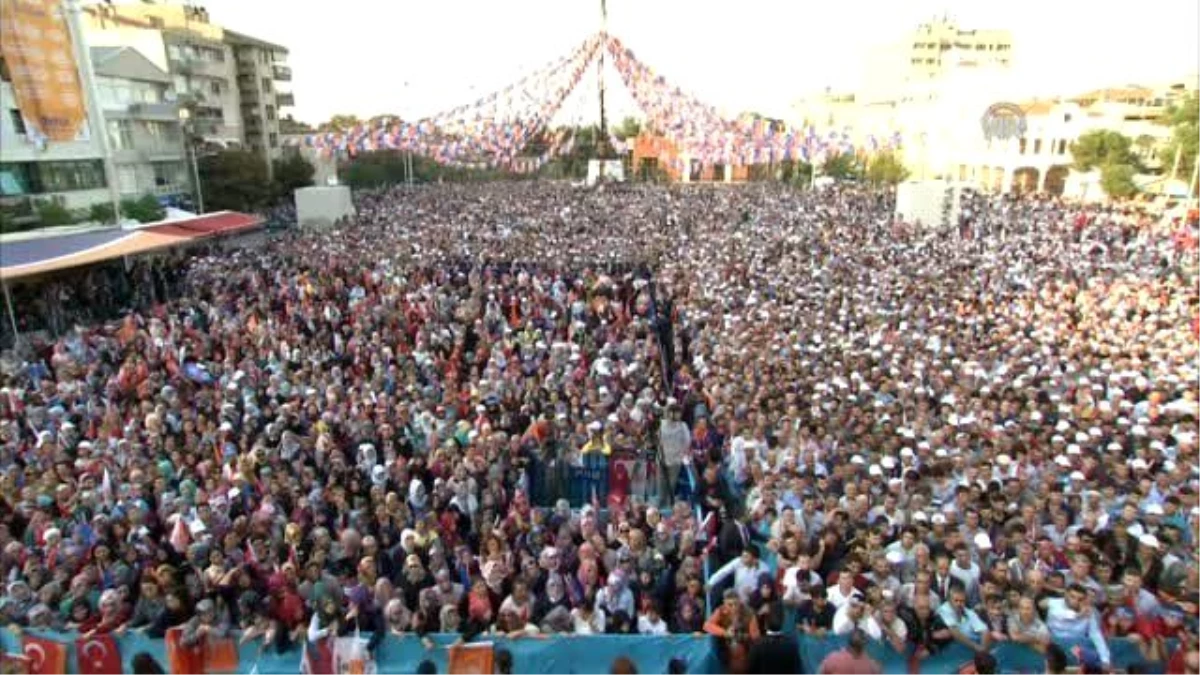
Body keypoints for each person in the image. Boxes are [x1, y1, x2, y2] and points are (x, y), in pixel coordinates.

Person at [816, 629, 881, 675]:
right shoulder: (871, 666)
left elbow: (820, 672)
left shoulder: (833, 658)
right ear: (865, 644)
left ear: (848, 641)